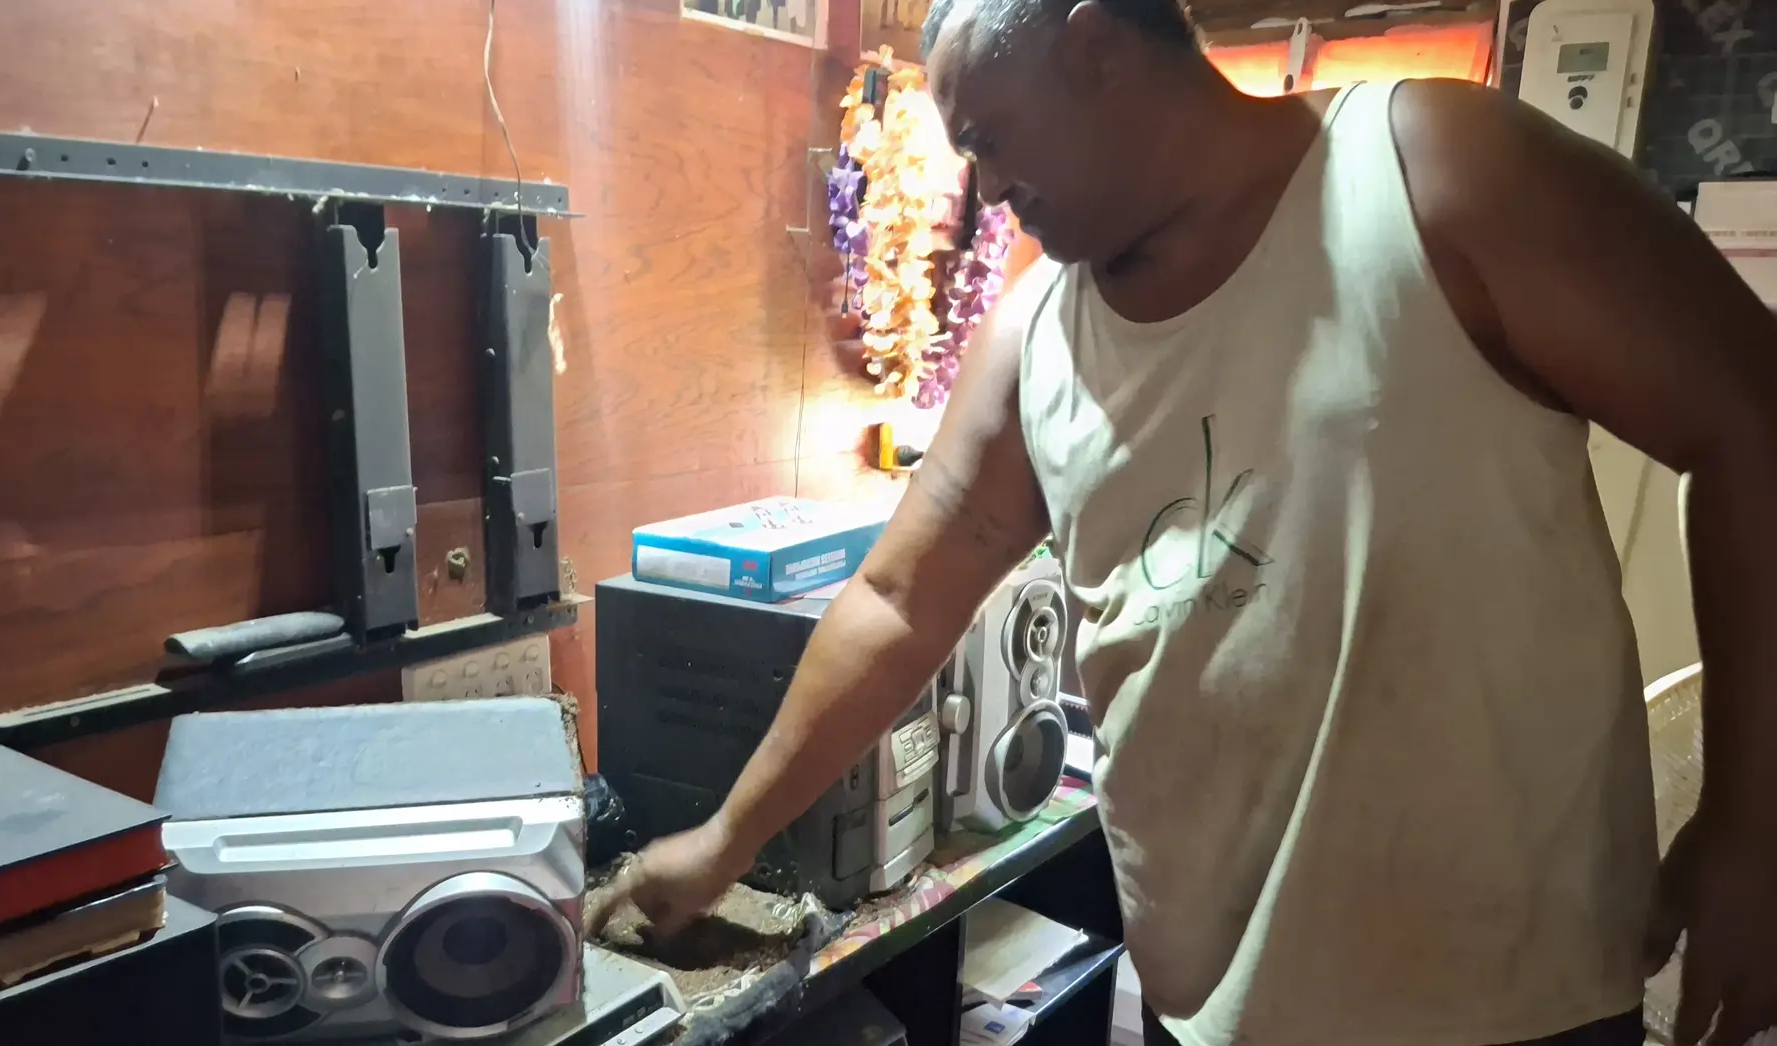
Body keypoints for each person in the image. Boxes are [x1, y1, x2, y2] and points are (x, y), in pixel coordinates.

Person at [606, 1, 1777, 1044]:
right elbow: (895, 598)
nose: (982, 184)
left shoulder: (1432, 170)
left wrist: (1753, 827)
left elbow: (1752, 424)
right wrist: (721, 840)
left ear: (1095, 49)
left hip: (1507, 1002)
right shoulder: (1033, 337)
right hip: (1209, 1000)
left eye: (988, 138)